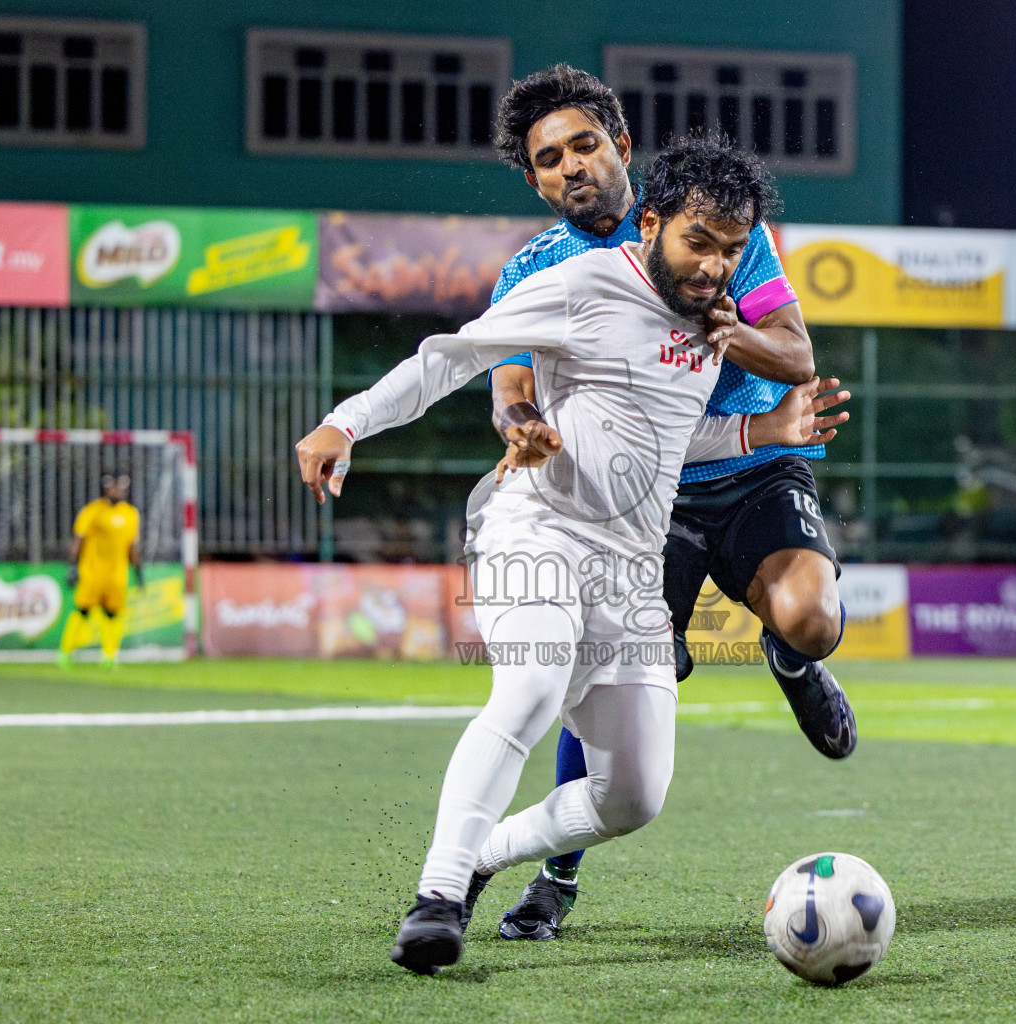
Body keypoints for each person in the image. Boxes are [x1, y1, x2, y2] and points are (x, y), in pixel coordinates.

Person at [294, 135, 847, 975]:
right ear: (653, 223)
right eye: (698, 243)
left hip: (628, 566)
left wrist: (759, 430)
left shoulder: (713, 324)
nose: (713, 268)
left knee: (632, 798)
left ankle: (487, 855)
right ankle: (438, 897)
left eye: (731, 253)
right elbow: (454, 356)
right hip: (537, 530)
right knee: (532, 684)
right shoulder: (583, 283)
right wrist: (348, 421)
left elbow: (665, 435)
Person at [484, 64, 855, 943]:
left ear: (620, 145)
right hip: (640, 500)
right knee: (609, 685)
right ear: (534, 181)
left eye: (584, 143)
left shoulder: (710, 220)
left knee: (811, 619)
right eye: (549, 159)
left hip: (756, 464)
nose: (572, 166)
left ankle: (793, 662)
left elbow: (796, 354)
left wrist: (737, 334)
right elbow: (507, 386)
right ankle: (553, 878)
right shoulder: (535, 270)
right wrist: (522, 423)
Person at [58, 472, 143, 667]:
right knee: (83, 610)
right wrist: (72, 566)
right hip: (92, 572)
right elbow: (78, 539)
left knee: (113, 614)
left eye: (121, 486)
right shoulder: (92, 511)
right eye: (113, 485)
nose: (117, 490)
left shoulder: (131, 514)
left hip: (116, 574)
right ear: (105, 487)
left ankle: (110, 655)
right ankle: (65, 652)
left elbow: (132, 546)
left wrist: (139, 572)